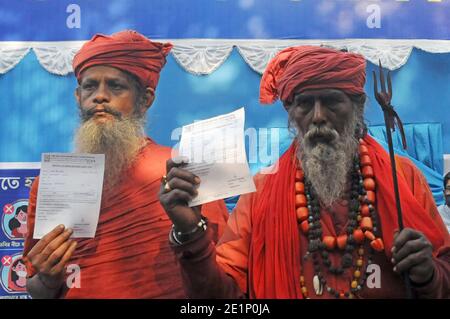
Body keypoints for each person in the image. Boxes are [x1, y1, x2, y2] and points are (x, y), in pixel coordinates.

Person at [159, 46, 450, 299]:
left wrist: (430, 275)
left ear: (358, 107)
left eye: (332, 101)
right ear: (290, 114)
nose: (318, 116)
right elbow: (221, 298)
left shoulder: (404, 177)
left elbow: (444, 270)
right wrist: (189, 234)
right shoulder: (260, 194)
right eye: (305, 104)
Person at [21, 30, 229, 299]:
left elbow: (224, 284)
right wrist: (48, 279)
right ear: (77, 97)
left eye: (116, 86)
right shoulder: (55, 182)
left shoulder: (183, 171)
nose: (100, 97)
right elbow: (36, 288)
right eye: (90, 86)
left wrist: (189, 231)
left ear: (146, 100)